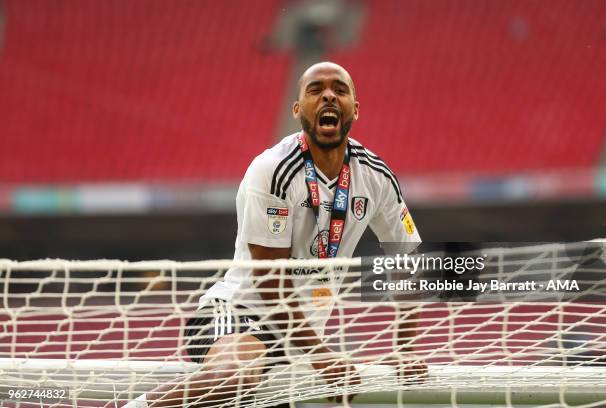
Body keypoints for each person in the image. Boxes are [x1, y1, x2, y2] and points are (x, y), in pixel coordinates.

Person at [126, 61, 426, 408]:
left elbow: (407, 260)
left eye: (340, 90)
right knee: (233, 375)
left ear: (355, 109)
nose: (329, 95)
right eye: (316, 89)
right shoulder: (273, 170)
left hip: (295, 344)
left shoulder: (376, 176)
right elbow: (271, 281)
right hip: (241, 312)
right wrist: (320, 354)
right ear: (298, 109)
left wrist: (404, 350)